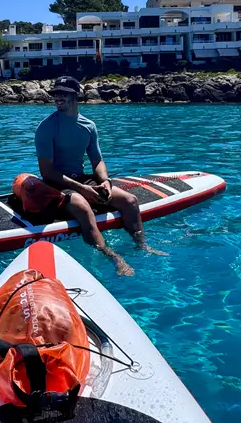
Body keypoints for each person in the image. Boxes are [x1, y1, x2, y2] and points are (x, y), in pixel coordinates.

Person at [35, 75, 165, 275]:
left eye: (64, 94)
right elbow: (47, 171)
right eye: (56, 94)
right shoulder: (46, 127)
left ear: (76, 96)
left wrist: (105, 181)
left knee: (130, 200)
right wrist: (82, 189)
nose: (58, 97)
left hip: (81, 178)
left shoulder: (88, 126)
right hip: (57, 183)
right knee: (83, 208)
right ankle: (114, 258)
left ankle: (142, 246)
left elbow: (97, 161)